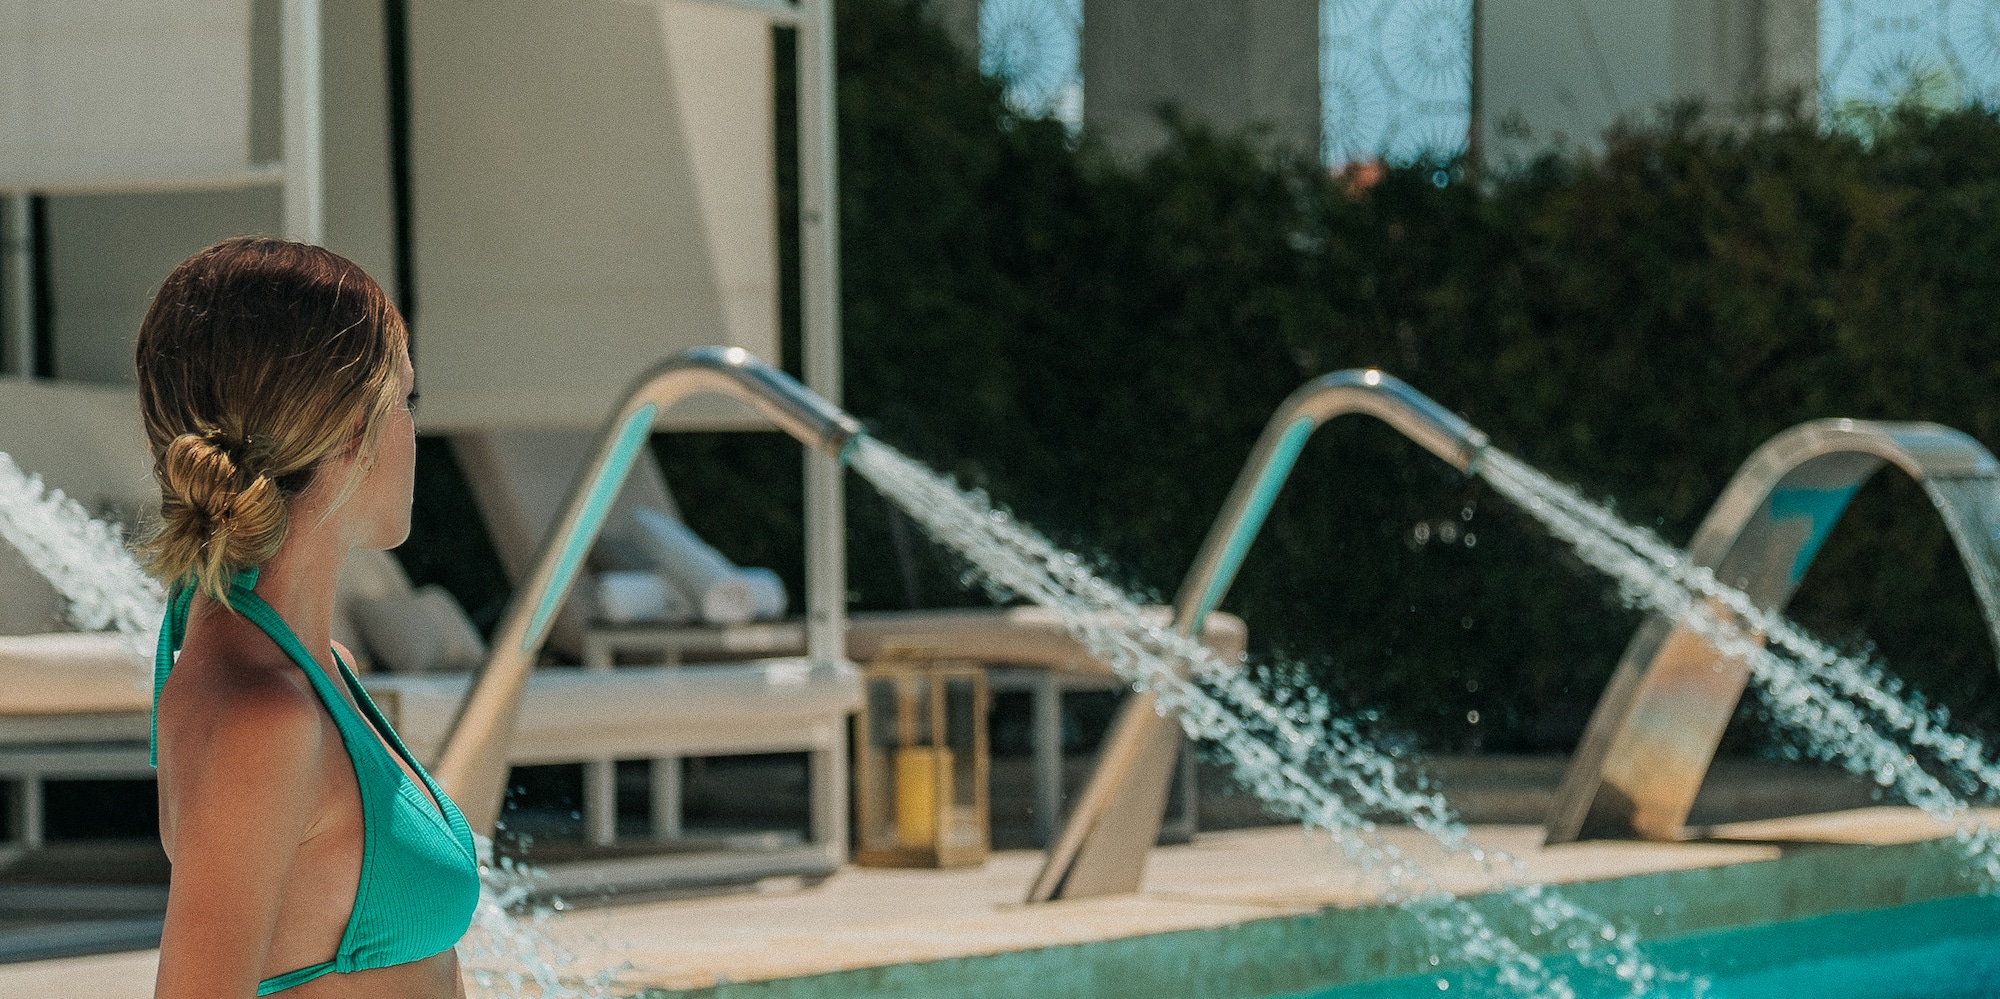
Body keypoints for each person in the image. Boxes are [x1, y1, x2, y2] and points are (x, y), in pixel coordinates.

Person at [140, 237, 480, 998]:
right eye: (408, 403)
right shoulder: (269, 719)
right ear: (353, 432)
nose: (415, 432)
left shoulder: (303, 667)